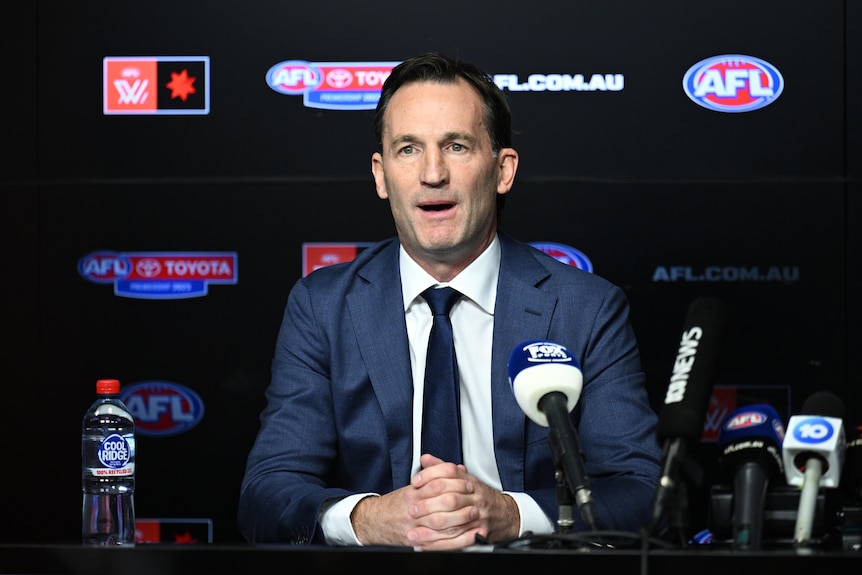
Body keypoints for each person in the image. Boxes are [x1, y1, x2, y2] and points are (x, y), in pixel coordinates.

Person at [238, 52, 662, 549]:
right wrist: (370, 519)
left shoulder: (586, 309)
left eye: (456, 146)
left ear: (503, 170)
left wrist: (510, 514)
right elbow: (267, 494)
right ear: (381, 174)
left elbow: (641, 492)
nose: (432, 173)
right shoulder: (322, 306)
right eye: (408, 149)